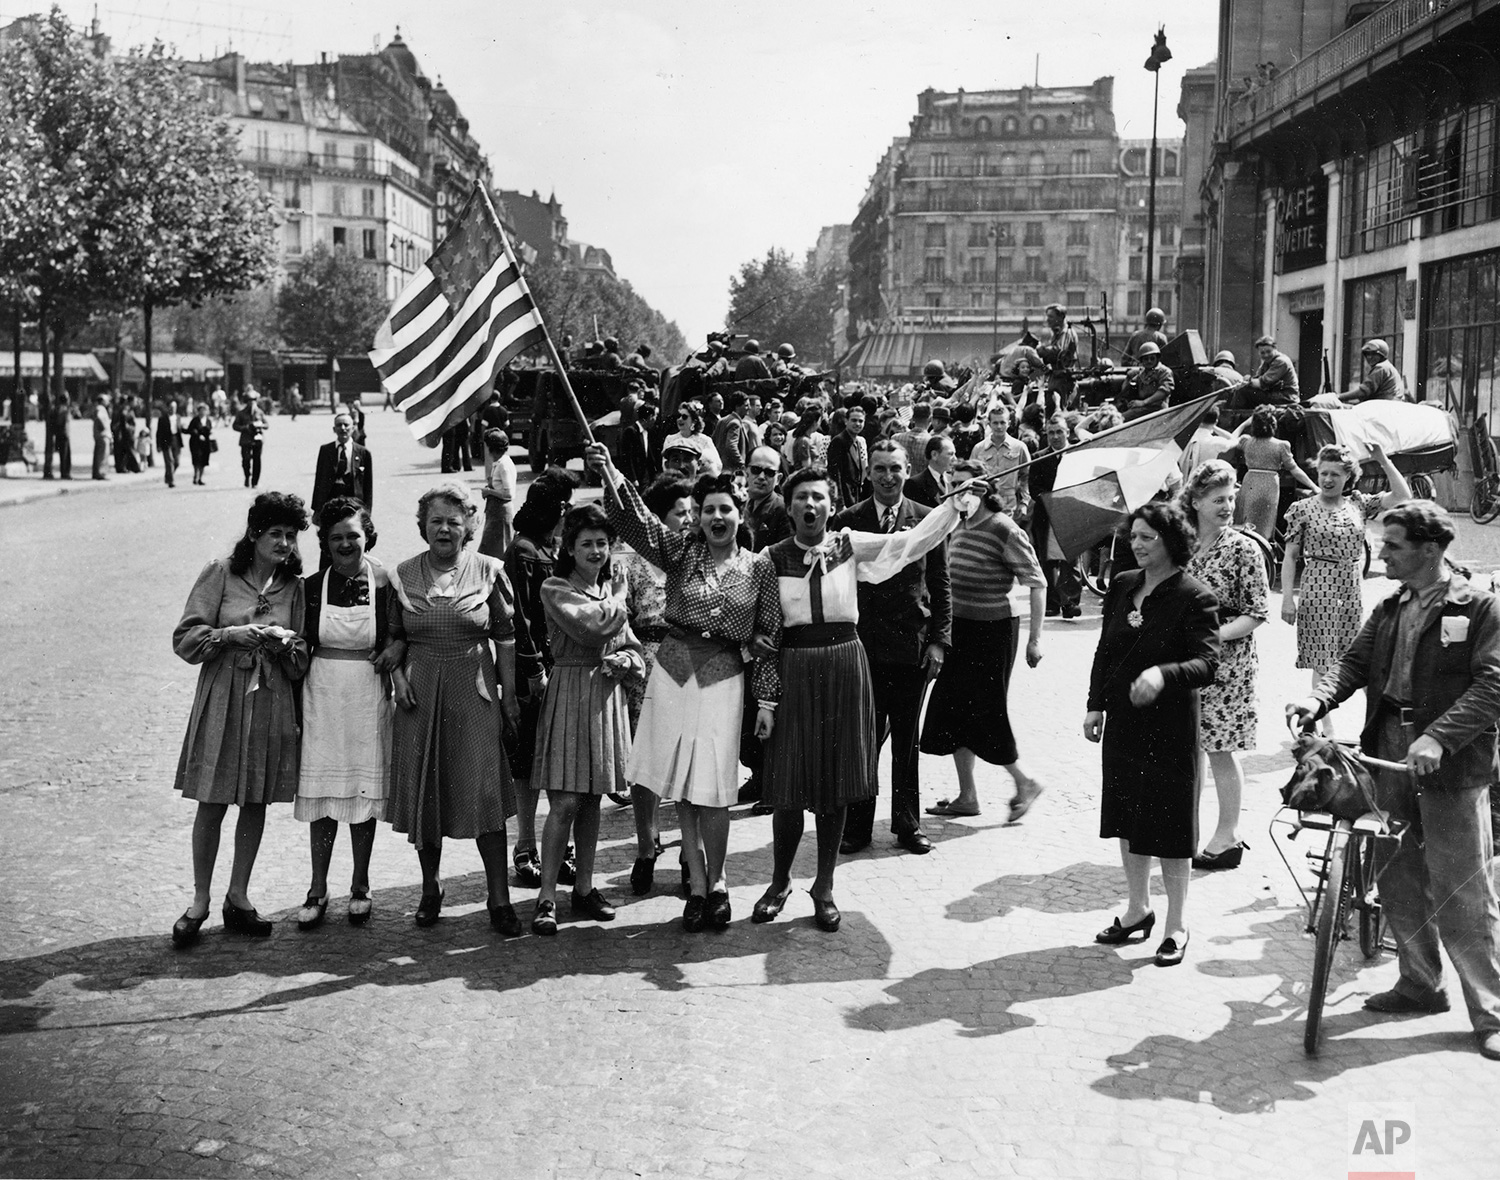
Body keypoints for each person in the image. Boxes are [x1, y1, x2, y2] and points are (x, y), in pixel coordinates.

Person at [1287, 502, 1500, 1060]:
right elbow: (1353, 664)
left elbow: (1493, 685)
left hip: (1452, 763)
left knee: (1462, 889)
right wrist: (1317, 698)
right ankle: (1419, 984)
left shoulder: (1479, 608)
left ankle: (1491, 1012)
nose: (1380, 552)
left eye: (1393, 545)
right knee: (1399, 875)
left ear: (1429, 550)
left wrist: (1439, 737)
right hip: (1387, 752)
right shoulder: (1389, 607)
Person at [752, 465, 978, 931]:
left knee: (835, 783)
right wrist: (762, 678)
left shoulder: (849, 545)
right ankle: (779, 883)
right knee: (789, 785)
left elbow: (910, 543)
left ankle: (824, 887)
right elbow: (759, 623)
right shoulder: (770, 558)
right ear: (789, 507)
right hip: (795, 670)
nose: (810, 505)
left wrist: (952, 507)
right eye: (801, 498)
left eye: (818, 497)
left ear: (831, 506)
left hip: (844, 668)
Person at [595, 453, 781, 928]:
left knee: (714, 787)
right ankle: (696, 886)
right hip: (673, 674)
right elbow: (639, 524)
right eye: (707, 510)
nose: (716, 517)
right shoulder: (682, 552)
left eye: (725, 509)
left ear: (740, 513)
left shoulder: (759, 567)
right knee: (681, 782)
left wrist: (766, 700)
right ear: (697, 517)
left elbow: (769, 635)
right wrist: (612, 471)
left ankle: (718, 883)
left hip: (723, 677)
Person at [169, 492, 311, 945]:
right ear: (254, 534)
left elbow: (302, 658)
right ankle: (199, 900)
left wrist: (286, 646)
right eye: (276, 534)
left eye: (291, 535)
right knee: (212, 799)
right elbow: (186, 639)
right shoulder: (221, 573)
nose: (285, 543)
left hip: (270, 699)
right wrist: (230, 634)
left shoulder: (294, 587)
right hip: (224, 697)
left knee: (255, 800)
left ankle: (239, 896)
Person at [1085, 501, 1220, 967]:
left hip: (1171, 726)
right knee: (1127, 816)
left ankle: (1176, 924)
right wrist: (1095, 704)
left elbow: (1207, 663)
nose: (1137, 545)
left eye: (1148, 537)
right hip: (1124, 720)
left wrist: (1164, 674)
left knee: (1170, 824)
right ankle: (1137, 909)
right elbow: (1105, 650)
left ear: (1172, 541)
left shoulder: (1195, 595)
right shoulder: (1123, 585)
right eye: (1134, 536)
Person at [387, 482, 524, 936]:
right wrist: (398, 678)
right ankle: (431, 888)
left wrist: (508, 697)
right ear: (422, 527)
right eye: (435, 521)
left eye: (453, 521)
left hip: (474, 692)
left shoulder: (489, 570)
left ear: (469, 526)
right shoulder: (402, 575)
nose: (444, 529)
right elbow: (392, 637)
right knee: (427, 790)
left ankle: (499, 897)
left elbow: (505, 637)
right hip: (420, 694)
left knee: (484, 792)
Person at [830, 440, 952, 855]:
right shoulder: (848, 520)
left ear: (907, 470)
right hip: (863, 649)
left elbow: (940, 583)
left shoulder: (927, 520)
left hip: (911, 648)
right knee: (864, 739)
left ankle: (907, 823)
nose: (888, 477)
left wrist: (939, 642)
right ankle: (858, 827)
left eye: (895, 468)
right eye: (880, 469)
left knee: (906, 740)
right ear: (868, 473)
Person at [530, 504, 644, 935]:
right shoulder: (556, 588)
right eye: (586, 544)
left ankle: (584, 887)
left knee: (594, 798)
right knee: (564, 801)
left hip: (604, 697)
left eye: (602, 543)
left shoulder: (607, 591)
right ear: (569, 549)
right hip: (570, 692)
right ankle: (546, 896)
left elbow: (629, 644)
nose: (596, 551)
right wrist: (619, 598)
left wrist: (627, 661)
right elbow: (593, 629)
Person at [293, 498, 400, 930]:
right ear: (325, 542)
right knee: (321, 793)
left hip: (367, 692)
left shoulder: (385, 583)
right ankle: (317, 888)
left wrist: (396, 648)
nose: (345, 544)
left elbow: (398, 633)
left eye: (353, 535)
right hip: (322, 695)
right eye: (335, 537)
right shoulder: (311, 587)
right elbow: (300, 642)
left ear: (367, 536)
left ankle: (360, 884)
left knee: (361, 792)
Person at [922, 459, 1046, 820]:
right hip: (959, 629)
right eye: (953, 484)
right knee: (953, 710)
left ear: (983, 489)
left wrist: (1035, 640)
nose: (958, 492)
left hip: (993, 633)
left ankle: (1026, 781)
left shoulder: (1003, 529)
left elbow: (1037, 582)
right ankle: (968, 796)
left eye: (965, 485)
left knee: (986, 712)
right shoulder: (958, 525)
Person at [1281, 443, 1411, 730]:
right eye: (1324, 473)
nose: (1328, 480)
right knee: (1323, 660)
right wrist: (1287, 599)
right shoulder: (1302, 508)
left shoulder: (1358, 503)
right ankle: (1325, 728)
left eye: (1335, 474)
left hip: (1351, 587)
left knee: (1359, 657)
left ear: (1348, 477)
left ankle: (1376, 724)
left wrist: (1383, 459)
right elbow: (1290, 556)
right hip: (1318, 587)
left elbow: (1403, 497)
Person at [1180, 462, 1268, 869]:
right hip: (1185, 662)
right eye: (1218, 499)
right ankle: (1187, 832)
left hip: (1228, 664)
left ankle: (1228, 835)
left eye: (1231, 498)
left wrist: (1212, 636)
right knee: (1188, 749)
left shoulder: (1244, 548)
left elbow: (1257, 612)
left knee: (1220, 749)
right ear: (1196, 501)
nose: (1228, 506)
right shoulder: (1181, 544)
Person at [616, 475, 694, 890]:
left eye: (691, 512)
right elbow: (621, 619)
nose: (690, 519)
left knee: (687, 759)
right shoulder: (631, 565)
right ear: (658, 519)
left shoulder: (696, 558)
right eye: (681, 513)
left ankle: (689, 851)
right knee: (645, 762)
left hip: (689, 664)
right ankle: (647, 845)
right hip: (645, 666)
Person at [503, 474, 579, 889]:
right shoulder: (524, 551)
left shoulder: (554, 548)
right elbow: (519, 615)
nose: (568, 511)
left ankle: (558, 848)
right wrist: (533, 668)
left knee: (557, 762)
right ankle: (525, 845)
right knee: (528, 760)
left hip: (561, 667)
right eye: (563, 504)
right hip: (533, 671)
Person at [1223, 404, 1315, 540]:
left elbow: (1231, 438)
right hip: (1270, 484)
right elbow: (1295, 470)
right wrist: (1314, 486)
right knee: (1265, 523)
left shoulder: (1246, 441)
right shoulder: (1281, 445)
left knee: (1246, 520)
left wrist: (1245, 423)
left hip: (1250, 481)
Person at [1026, 414, 1084, 618]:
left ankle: (1070, 603)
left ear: (1067, 433)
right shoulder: (1039, 457)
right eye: (1051, 433)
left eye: (1059, 432)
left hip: (1072, 514)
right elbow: (1034, 488)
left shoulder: (1078, 454)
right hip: (1046, 515)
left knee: (1071, 559)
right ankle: (1051, 603)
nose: (1055, 436)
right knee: (1048, 561)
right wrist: (1052, 500)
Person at [968, 402, 1030, 516]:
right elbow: (971, 477)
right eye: (995, 423)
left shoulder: (1019, 447)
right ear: (989, 424)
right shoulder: (979, 448)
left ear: (1009, 424)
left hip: (1009, 503)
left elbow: (1026, 476)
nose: (999, 426)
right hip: (985, 500)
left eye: (1002, 422)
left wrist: (1024, 502)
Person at [311, 410, 374, 518]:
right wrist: (316, 509)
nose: (343, 428)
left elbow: (368, 486)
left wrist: (367, 512)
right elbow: (319, 479)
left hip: (353, 500)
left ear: (353, 428)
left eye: (346, 425)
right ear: (334, 429)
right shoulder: (326, 450)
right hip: (331, 498)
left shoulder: (363, 452)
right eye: (339, 425)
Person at [477, 428, 517, 560]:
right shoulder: (500, 462)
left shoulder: (503, 465)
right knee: (490, 550)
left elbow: (508, 494)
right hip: (495, 511)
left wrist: (489, 492)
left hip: (501, 512)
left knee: (499, 551)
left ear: (491, 448)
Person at [1230, 335, 1300, 409]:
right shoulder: (1266, 363)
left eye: (1269, 351)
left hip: (1286, 398)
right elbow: (1257, 378)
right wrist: (1246, 381)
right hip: (1276, 395)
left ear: (1275, 348)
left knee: (1244, 391)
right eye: (1262, 353)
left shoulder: (1281, 361)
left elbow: (1262, 383)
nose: (1266, 355)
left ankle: (1236, 414)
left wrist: (1248, 381)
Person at [744, 445, 791, 551]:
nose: (761, 477)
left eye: (769, 473)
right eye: (756, 470)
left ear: (778, 479)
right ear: (746, 472)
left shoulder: (783, 510)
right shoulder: (742, 504)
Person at [661, 400, 722, 477]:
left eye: (684, 417)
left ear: (694, 421)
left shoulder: (705, 440)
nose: (680, 419)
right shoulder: (670, 439)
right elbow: (665, 465)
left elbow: (717, 466)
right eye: (678, 416)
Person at [825, 403, 869, 509]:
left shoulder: (857, 441)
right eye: (854, 420)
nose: (857, 424)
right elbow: (835, 474)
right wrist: (840, 503)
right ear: (846, 421)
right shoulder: (838, 441)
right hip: (845, 500)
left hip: (854, 498)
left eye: (861, 421)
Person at [1340, 338, 1408, 404]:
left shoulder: (1381, 367)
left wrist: (1338, 396)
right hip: (1390, 404)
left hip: (1382, 406)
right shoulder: (1388, 367)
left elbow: (1363, 392)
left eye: (1373, 354)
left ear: (1381, 355)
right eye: (1367, 354)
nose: (1369, 357)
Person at [1119, 342, 1175, 421]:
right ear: (1141, 360)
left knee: (1120, 419)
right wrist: (1129, 378)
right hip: (1143, 408)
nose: (1149, 361)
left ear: (1157, 358)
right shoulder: (1142, 373)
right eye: (1146, 359)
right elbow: (1128, 388)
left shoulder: (1164, 372)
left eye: (1152, 358)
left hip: (1157, 409)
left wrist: (1143, 402)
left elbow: (1164, 391)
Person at [1038, 304, 1079, 408]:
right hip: (1057, 377)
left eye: (1051, 317)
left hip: (1063, 380)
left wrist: (1040, 350)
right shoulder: (1057, 333)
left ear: (1061, 317)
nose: (1048, 320)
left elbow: (1058, 352)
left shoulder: (1066, 333)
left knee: (1060, 410)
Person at [1178, 405, 1234, 478]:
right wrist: (1214, 427)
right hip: (1202, 481)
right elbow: (1234, 440)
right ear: (1216, 421)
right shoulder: (1215, 441)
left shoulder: (1184, 437)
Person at [712, 390, 758, 474]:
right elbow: (731, 446)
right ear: (737, 406)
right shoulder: (735, 423)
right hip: (732, 471)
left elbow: (713, 441)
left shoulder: (722, 420)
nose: (749, 408)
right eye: (746, 405)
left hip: (719, 468)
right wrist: (742, 464)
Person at [905, 434, 955, 508]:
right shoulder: (915, 483)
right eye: (950, 454)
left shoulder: (953, 480)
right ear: (934, 455)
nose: (955, 459)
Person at [232, 395, 269, 489]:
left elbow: (267, 425)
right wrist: (245, 427)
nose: (252, 403)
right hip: (246, 439)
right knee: (246, 460)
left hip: (257, 439)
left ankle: (255, 482)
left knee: (257, 461)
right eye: (250, 401)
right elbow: (235, 426)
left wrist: (260, 425)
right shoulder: (241, 413)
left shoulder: (259, 412)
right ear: (246, 402)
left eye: (254, 400)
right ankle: (247, 476)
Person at [893, 402, 934, 474]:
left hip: (902, 479)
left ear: (913, 418)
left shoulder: (895, 439)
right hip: (922, 480)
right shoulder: (933, 442)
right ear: (930, 419)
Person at [155, 399, 183, 487]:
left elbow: (180, 429)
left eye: (174, 407)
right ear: (168, 408)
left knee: (177, 462)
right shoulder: (162, 419)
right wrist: (158, 445)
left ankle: (168, 476)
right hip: (166, 442)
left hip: (176, 440)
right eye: (171, 407)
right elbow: (158, 433)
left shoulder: (178, 417)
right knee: (169, 461)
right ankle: (171, 481)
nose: (173, 409)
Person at [185, 402, 214, 485]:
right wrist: (197, 435)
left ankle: (200, 478)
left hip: (205, 443)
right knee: (197, 459)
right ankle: (196, 475)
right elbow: (190, 430)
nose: (203, 412)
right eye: (201, 410)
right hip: (196, 443)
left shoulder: (208, 421)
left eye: (205, 410)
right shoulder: (195, 420)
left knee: (204, 461)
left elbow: (210, 430)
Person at [91, 394, 111, 480]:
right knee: (103, 455)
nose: (108, 402)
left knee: (98, 455)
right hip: (103, 435)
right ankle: (101, 473)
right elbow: (99, 417)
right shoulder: (101, 408)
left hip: (99, 435)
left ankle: (96, 473)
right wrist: (104, 427)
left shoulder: (97, 408)